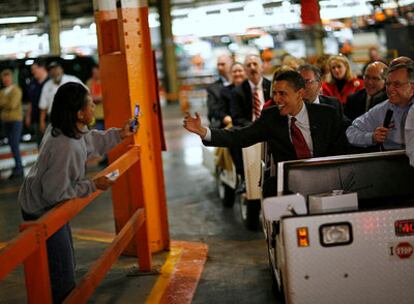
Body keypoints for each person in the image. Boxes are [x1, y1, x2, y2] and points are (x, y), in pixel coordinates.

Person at [18, 82, 137, 303]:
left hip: (41, 202)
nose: (94, 107)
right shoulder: (66, 146)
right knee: (62, 273)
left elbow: (90, 140)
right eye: (90, 104)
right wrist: (93, 184)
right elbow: (55, 193)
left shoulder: (65, 127)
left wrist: (120, 134)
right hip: (42, 211)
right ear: (79, 114)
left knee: (63, 260)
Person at [183, 71, 348, 183]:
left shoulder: (327, 114)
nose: (276, 99)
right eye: (274, 93)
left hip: (330, 178)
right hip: (291, 184)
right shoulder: (271, 117)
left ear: (300, 93)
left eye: (282, 94)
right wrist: (204, 132)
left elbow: (345, 145)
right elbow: (239, 137)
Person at [346, 63, 414, 151]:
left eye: (397, 84)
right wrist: (372, 137)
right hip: (391, 160)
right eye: (388, 84)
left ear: (412, 88)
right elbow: (350, 132)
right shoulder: (383, 108)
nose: (390, 89)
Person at [38, 61, 82, 134]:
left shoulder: (73, 80)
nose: (54, 72)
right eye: (51, 70)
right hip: (54, 118)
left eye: (56, 69)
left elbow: (85, 95)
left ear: (61, 70)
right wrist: (42, 122)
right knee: (57, 140)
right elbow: (43, 106)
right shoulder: (47, 85)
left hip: (72, 116)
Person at [230, 54, 271, 126]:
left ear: (262, 67)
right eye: (248, 65)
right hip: (249, 129)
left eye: (255, 64)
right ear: (245, 70)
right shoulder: (237, 91)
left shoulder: (271, 87)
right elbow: (237, 118)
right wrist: (254, 127)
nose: (252, 68)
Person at [0, 69, 24, 179]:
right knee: (11, 144)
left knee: (14, 144)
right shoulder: (2, 92)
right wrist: (6, 102)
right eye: (4, 78)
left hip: (15, 121)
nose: (6, 80)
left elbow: (12, 105)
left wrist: (4, 102)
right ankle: (16, 166)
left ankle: (19, 168)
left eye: (7, 77)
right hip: (6, 121)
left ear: (11, 78)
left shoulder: (16, 90)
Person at [215, 62, 246, 127]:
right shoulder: (225, 91)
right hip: (232, 124)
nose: (237, 74)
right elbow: (220, 111)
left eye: (240, 71)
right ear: (230, 74)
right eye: (234, 71)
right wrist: (225, 117)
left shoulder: (250, 89)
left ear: (245, 72)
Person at [25, 60, 49, 146]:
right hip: (36, 118)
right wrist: (28, 116)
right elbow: (30, 101)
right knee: (40, 144)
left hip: (49, 119)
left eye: (34, 69)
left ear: (42, 68)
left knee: (50, 144)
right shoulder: (32, 83)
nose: (32, 71)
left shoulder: (50, 82)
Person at [206, 54, 232, 128]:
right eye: (218, 65)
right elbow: (212, 108)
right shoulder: (212, 88)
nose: (219, 67)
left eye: (223, 64)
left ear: (231, 64)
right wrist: (224, 117)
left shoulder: (239, 82)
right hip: (223, 122)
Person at [86, 65, 104, 130]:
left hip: (105, 114)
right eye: (93, 73)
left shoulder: (105, 80)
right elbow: (88, 97)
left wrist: (95, 98)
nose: (94, 75)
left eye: (96, 73)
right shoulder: (89, 82)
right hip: (94, 115)